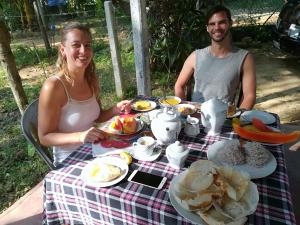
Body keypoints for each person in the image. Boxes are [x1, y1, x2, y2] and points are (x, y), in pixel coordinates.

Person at [38, 22, 131, 166]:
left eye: (87, 45)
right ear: (63, 50)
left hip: (95, 150)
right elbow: (44, 137)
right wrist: (81, 136)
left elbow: (97, 116)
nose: (84, 51)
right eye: (76, 45)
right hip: (70, 161)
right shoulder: (54, 86)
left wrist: (116, 110)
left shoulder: (90, 79)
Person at [174, 5, 256, 110]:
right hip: (195, 116)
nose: (217, 27)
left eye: (221, 22)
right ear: (207, 28)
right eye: (212, 24)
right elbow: (179, 86)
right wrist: (183, 110)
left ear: (230, 23)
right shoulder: (195, 56)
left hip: (223, 118)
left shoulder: (245, 58)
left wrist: (236, 119)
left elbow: (250, 96)